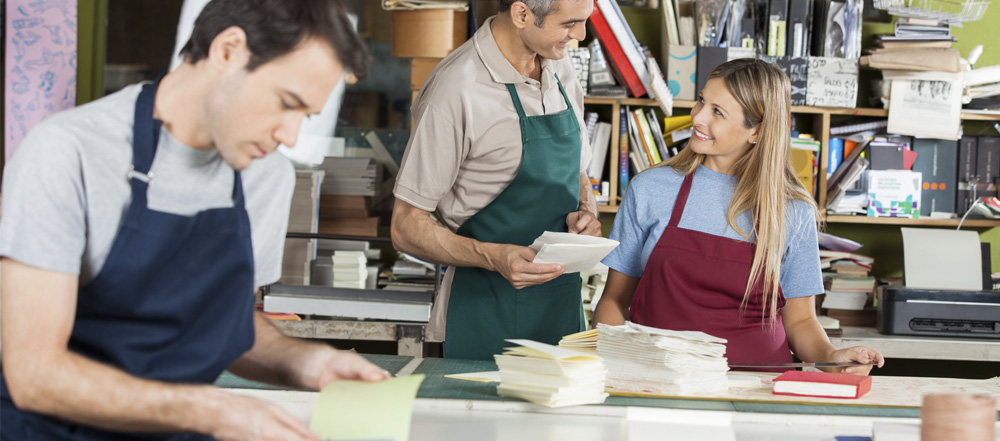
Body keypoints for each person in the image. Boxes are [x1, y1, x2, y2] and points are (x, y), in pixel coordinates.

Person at [0, 1, 389, 440]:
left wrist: (311, 363)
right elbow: (35, 376)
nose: (290, 136)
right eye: (286, 103)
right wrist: (210, 410)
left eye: (307, 117)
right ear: (228, 51)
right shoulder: (67, 153)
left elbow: (228, 328)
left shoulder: (266, 177)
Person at [593, 58, 884, 375]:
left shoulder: (792, 209)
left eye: (717, 112)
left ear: (756, 131)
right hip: (657, 379)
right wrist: (614, 367)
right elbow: (615, 300)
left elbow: (801, 320)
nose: (698, 117)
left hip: (758, 386)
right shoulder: (650, 189)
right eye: (702, 101)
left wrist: (833, 358)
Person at [391, 0, 600, 360]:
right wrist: (493, 257)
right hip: (482, 310)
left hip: (560, 307)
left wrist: (586, 209)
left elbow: (578, 169)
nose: (580, 36)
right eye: (570, 24)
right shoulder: (455, 89)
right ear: (522, 15)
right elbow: (405, 226)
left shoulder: (560, 65)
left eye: (585, 22)